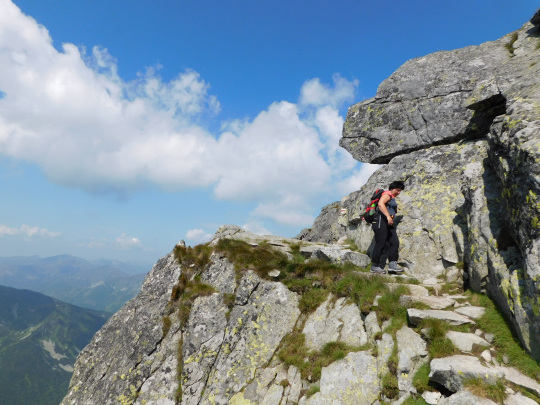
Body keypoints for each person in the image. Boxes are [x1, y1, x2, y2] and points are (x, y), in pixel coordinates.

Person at [370, 181, 405, 274]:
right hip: (380, 221)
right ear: (392, 188)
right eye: (397, 190)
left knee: (394, 242)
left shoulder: (391, 197)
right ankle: (374, 266)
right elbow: (381, 204)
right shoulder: (387, 193)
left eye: (400, 191)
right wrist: (388, 216)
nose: (399, 192)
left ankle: (392, 265)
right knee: (380, 243)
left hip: (388, 223)